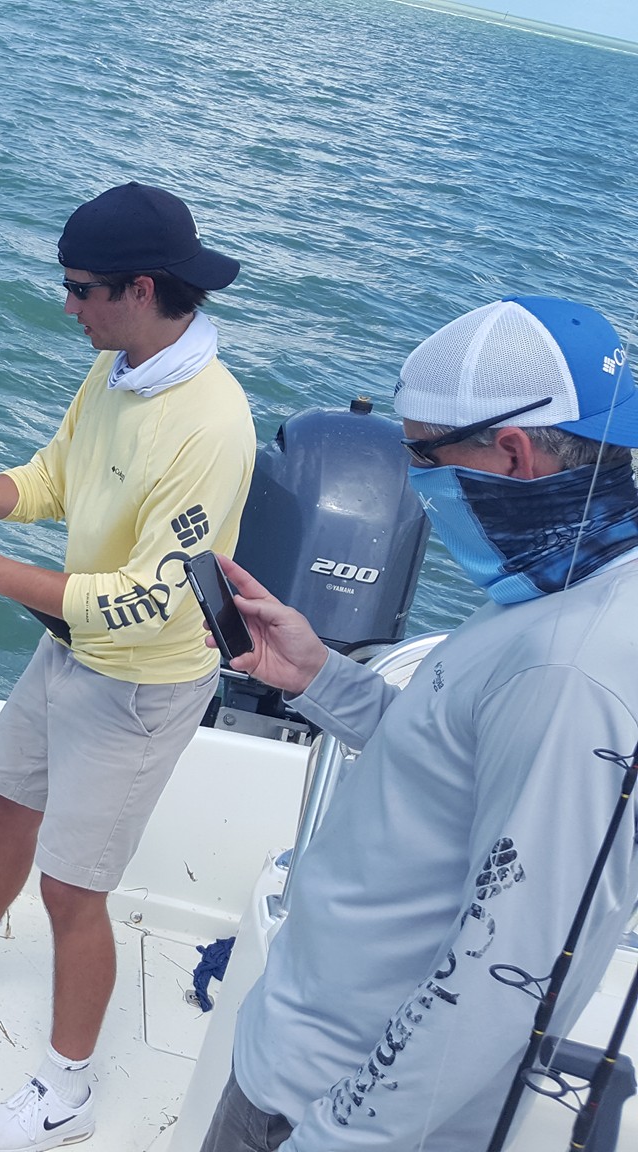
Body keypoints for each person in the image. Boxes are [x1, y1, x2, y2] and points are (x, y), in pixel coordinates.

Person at [200, 296, 638, 1151]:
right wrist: (319, 677)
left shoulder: (571, 666)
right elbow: (450, 766)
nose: (416, 480)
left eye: (423, 456)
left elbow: (509, 969)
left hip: (320, 1110)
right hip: (298, 1061)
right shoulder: (564, 585)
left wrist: (333, 1138)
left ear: (510, 452)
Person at [0, 181, 255, 1152]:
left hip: (141, 687)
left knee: (72, 890)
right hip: (68, 649)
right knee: (7, 802)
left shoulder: (211, 426)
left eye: (80, 288)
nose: (66, 305)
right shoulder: (117, 371)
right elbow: (53, 478)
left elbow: (156, 596)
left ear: (140, 288)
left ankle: (65, 1091)